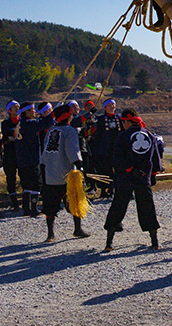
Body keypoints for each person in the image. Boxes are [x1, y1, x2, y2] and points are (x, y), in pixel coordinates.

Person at [103, 108, 162, 252]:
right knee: (147, 207)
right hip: (143, 178)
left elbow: (117, 159)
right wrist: (152, 174)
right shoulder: (149, 135)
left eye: (123, 122)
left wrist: (130, 169)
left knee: (118, 206)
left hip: (125, 178)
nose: (123, 125)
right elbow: (156, 158)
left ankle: (109, 242)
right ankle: (154, 241)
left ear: (128, 121)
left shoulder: (122, 136)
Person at [40, 104, 90, 242]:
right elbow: (73, 151)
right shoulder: (70, 131)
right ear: (68, 116)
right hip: (67, 174)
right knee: (74, 201)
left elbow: (44, 155)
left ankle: (50, 234)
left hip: (50, 174)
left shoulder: (51, 130)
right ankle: (77, 229)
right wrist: (80, 167)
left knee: (50, 205)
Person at [14, 102, 54, 216]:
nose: (34, 112)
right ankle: (34, 209)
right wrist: (52, 114)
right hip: (31, 158)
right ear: (26, 112)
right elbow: (44, 124)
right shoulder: (29, 123)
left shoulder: (20, 124)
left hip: (22, 160)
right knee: (37, 183)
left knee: (26, 185)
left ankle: (26, 209)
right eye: (32, 110)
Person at [90, 99, 123, 198]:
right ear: (104, 108)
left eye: (113, 105)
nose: (112, 107)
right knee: (105, 170)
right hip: (105, 149)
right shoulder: (100, 119)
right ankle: (104, 190)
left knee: (117, 170)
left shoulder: (120, 119)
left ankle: (114, 189)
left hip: (117, 149)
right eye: (109, 105)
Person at [1, 100, 21, 210]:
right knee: (11, 179)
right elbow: (8, 133)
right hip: (10, 155)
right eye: (15, 107)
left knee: (25, 177)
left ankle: (27, 203)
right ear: (9, 110)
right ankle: (15, 204)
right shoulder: (5, 123)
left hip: (22, 154)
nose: (17, 108)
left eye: (18, 106)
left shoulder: (23, 121)